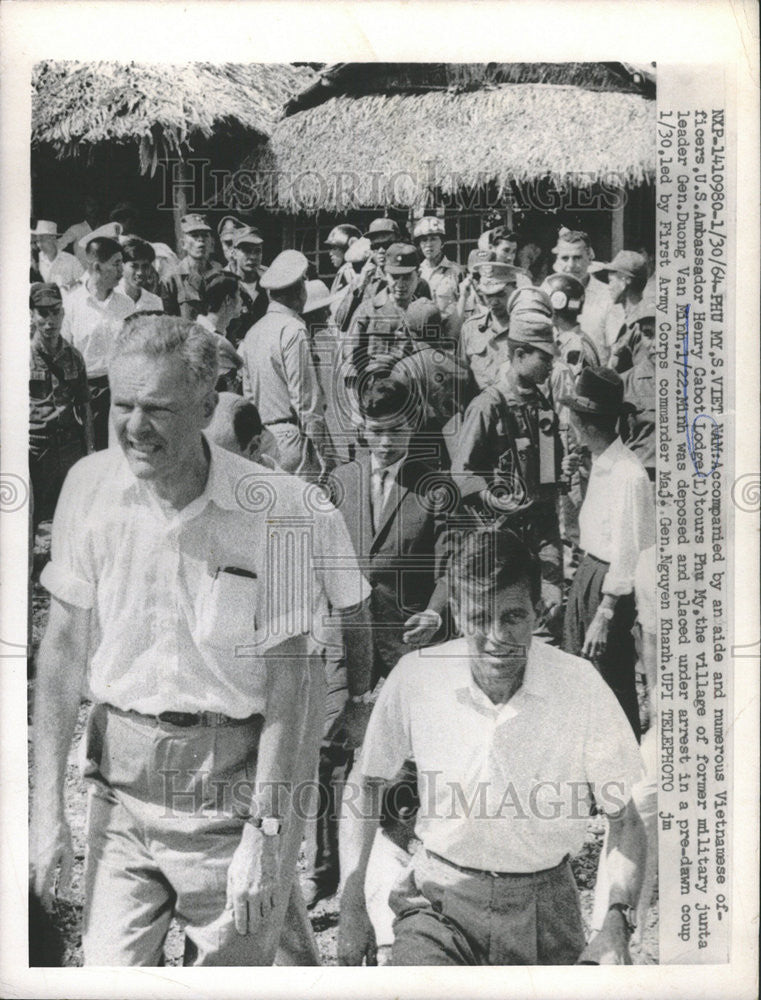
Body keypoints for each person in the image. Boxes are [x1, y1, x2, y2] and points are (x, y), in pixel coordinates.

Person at [30, 313, 372, 966]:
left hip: (231, 804)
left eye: (156, 408)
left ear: (207, 406)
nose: (134, 427)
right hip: (121, 802)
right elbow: (62, 651)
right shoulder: (87, 488)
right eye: (122, 405)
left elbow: (293, 690)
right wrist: (47, 812)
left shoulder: (282, 512)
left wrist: (269, 840)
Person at [338, 525, 647, 967]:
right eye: (481, 618)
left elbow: (627, 822)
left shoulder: (581, 685)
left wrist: (615, 923)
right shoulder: (416, 677)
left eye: (513, 617)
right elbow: (366, 785)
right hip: (437, 904)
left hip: (545, 910)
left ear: (538, 613)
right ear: (458, 615)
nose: (497, 638)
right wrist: (353, 906)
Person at [451, 301, 564, 638]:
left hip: (532, 548)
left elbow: (546, 499)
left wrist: (552, 577)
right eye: (544, 357)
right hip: (492, 546)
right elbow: (460, 476)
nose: (551, 365)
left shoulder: (544, 411)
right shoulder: (488, 406)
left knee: (542, 637)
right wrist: (491, 495)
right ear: (519, 356)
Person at [560, 366, 655, 738]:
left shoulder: (628, 474)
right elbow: (587, 528)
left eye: (572, 418)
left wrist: (606, 611)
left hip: (609, 587)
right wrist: (575, 482)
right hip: (590, 574)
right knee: (581, 675)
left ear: (585, 424)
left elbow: (629, 549)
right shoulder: (600, 463)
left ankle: (625, 771)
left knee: (611, 683)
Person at [240, 250, 333, 479]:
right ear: (299, 290)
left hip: (264, 437)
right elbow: (305, 399)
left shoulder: (253, 332)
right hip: (293, 438)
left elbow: (249, 395)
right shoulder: (294, 330)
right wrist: (322, 452)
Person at [60, 228, 134, 450]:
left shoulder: (126, 305)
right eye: (116, 263)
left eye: (122, 263)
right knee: (92, 452)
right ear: (95, 266)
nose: (122, 270)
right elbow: (64, 354)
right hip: (87, 394)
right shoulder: (72, 304)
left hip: (122, 388)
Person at [29, 283, 94, 527]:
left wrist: (89, 450)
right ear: (32, 314)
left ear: (63, 313)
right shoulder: (20, 355)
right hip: (37, 449)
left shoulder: (74, 356)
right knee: (33, 518)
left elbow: (85, 406)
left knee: (73, 516)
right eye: (43, 313)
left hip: (69, 447)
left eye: (55, 311)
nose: (50, 320)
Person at [551, 228, 622, 363]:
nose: (570, 265)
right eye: (565, 258)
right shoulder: (546, 292)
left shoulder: (609, 296)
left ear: (589, 257)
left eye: (577, 257)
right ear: (557, 259)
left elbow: (615, 351)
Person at [457, 261, 524, 395]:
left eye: (500, 294)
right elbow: (462, 378)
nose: (493, 302)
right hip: (482, 408)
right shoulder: (471, 328)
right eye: (488, 295)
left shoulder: (527, 327)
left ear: (515, 291)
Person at [591, 250, 653, 373]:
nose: (609, 287)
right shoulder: (629, 320)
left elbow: (642, 376)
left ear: (625, 281)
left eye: (611, 281)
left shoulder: (641, 324)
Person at [160, 213, 223, 320]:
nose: (201, 240)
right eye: (194, 235)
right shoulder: (172, 279)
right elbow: (167, 322)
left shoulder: (221, 275)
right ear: (183, 244)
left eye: (205, 235)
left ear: (212, 243)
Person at [412, 216, 463, 338]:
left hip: (450, 336)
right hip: (422, 338)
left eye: (433, 239)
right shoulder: (416, 273)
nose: (428, 244)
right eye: (424, 240)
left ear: (442, 242)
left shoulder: (456, 272)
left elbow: (467, 308)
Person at [620, 312, 656, 481]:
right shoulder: (625, 383)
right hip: (641, 479)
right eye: (648, 335)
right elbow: (606, 444)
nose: (657, 344)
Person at [195, 272, 245, 393]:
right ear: (228, 299)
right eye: (239, 295)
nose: (242, 301)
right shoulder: (216, 341)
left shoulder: (198, 329)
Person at [227, 225, 269, 346]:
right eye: (246, 250)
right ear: (234, 253)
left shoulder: (269, 285)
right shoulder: (225, 286)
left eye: (257, 251)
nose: (253, 257)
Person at [31, 220, 84, 290]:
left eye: (43, 240)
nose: (39, 245)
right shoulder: (34, 261)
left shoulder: (71, 260)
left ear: (53, 238)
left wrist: (69, 287)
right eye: (37, 241)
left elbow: (82, 282)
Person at [118, 238, 164, 312]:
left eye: (145, 266)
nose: (140, 272)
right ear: (122, 266)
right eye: (134, 266)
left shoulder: (155, 302)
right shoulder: (109, 298)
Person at [57, 194, 101, 267]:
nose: (93, 207)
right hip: (81, 274)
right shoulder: (76, 228)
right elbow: (59, 244)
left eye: (96, 204)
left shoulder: (107, 229)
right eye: (89, 204)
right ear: (84, 207)